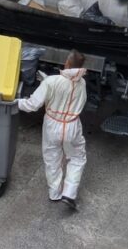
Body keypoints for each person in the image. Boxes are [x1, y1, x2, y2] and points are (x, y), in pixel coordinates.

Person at [17, 49, 87, 211]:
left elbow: (32, 105)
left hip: (52, 125)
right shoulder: (82, 83)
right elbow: (69, 88)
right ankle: (69, 193)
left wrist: (15, 102)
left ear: (66, 64)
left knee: (52, 158)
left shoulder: (52, 82)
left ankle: (54, 193)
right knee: (77, 158)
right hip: (72, 125)